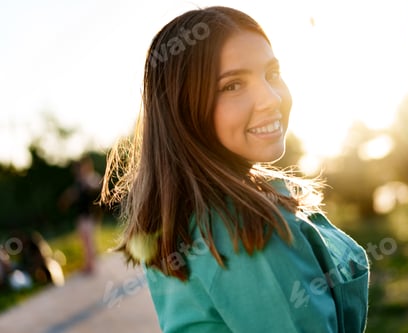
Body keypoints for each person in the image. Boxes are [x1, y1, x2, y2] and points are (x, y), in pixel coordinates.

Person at [101, 6, 369, 333]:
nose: (270, 98)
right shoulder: (245, 226)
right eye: (232, 86)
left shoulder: (183, 219)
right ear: (184, 109)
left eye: (272, 73)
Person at [61, 155, 102, 274]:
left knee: (89, 241)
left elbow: (95, 186)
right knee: (84, 242)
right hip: (82, 216)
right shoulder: (79, 183)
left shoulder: (90, 179)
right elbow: (72, 194)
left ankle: (91, 265)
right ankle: (88, 263)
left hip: (89, 216)